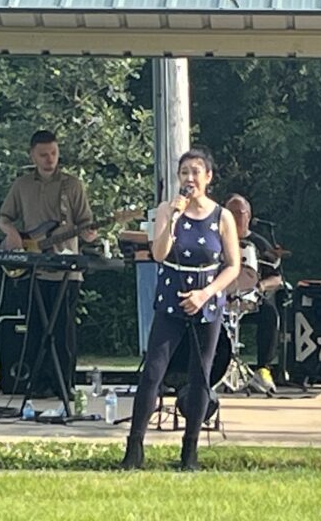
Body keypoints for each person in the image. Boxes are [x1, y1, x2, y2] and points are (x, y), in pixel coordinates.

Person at [120, 147, 242, 471]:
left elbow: (232, 266)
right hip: (171, 298)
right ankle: (134, 449)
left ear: (208, 178)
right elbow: (159, 254)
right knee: (152, 372)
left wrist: (206, 294)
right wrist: (173, 218)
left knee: (200, 375)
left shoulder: (222, 217)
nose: (189, 179)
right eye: (184, 172)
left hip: (206, 301)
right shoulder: (166, 210)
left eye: (195, 172)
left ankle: (189, 452)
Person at [0, 129, 95, 399]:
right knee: (36, 329)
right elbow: (4, 218)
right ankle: (37, 383)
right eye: (43, 154)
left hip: (67, 270)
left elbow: (86, 221)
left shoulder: (72, 185)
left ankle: (64, 384)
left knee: (64, 330)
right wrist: (13, 235)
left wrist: (89, 233)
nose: (49, 159)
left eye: (53, 153)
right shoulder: (22, 185)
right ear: (32, 156)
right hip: (33, 267)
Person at [224, 194, 283, 392]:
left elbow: (277, 278)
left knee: (269, 314)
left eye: (240, 213)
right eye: (231, 213)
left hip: (250, 299)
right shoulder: (216, 238)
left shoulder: (259, 243)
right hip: (219, 298)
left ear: (248, 215)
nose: (236, 217)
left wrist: (259, 288)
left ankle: (263, 370)